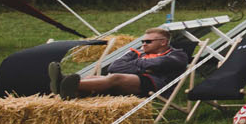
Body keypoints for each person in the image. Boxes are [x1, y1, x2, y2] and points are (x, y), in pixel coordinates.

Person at [50, 27, 189, 99]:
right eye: (143, 41)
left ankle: (66, 84)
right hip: (139, 79)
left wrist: (136, 65)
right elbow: (115, 66)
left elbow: (160, 64)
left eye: (148, 41)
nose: (144, 44)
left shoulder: (177, 55)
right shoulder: (138, 52)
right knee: (93, 78)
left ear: (163, 42)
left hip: (156, 85)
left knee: (115, 78)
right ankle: (69, 90)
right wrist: (144, 66)